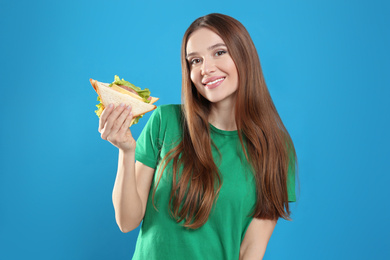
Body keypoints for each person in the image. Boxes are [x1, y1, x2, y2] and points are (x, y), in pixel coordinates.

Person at [98, 13, 297, 260]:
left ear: (244, 55)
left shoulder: (275, 148)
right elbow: (127, 221)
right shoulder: (165, 121)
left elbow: (251, 250)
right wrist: (126, 151)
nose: (206, 69)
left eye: (219, 52)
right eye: (195, 60)